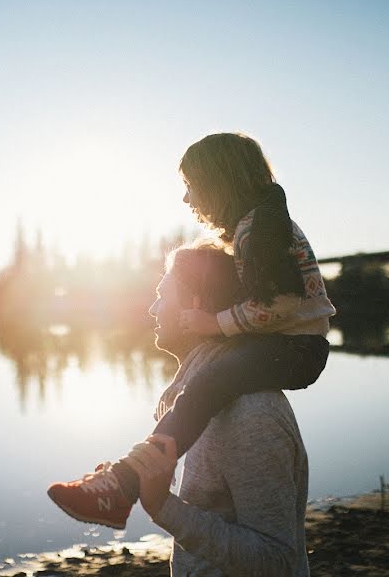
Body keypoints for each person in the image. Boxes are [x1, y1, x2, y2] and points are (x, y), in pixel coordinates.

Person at [47, 132, 334, 529]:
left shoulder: (260, 230)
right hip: (287, 342)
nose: (186, 199)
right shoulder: (259, 224)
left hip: (295, 347)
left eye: (190, 186)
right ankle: (125, 479)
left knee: (211, 383)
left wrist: (215, 323)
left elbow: (279, 302)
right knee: (206, 385)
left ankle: (125, 483)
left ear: (219, 182)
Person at [128, 241, 310, 575]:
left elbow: (279, 563)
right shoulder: (199, 400)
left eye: (161, 295)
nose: (153, 310)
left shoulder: (251, 413)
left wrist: (162, 506)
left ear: (193, 307)